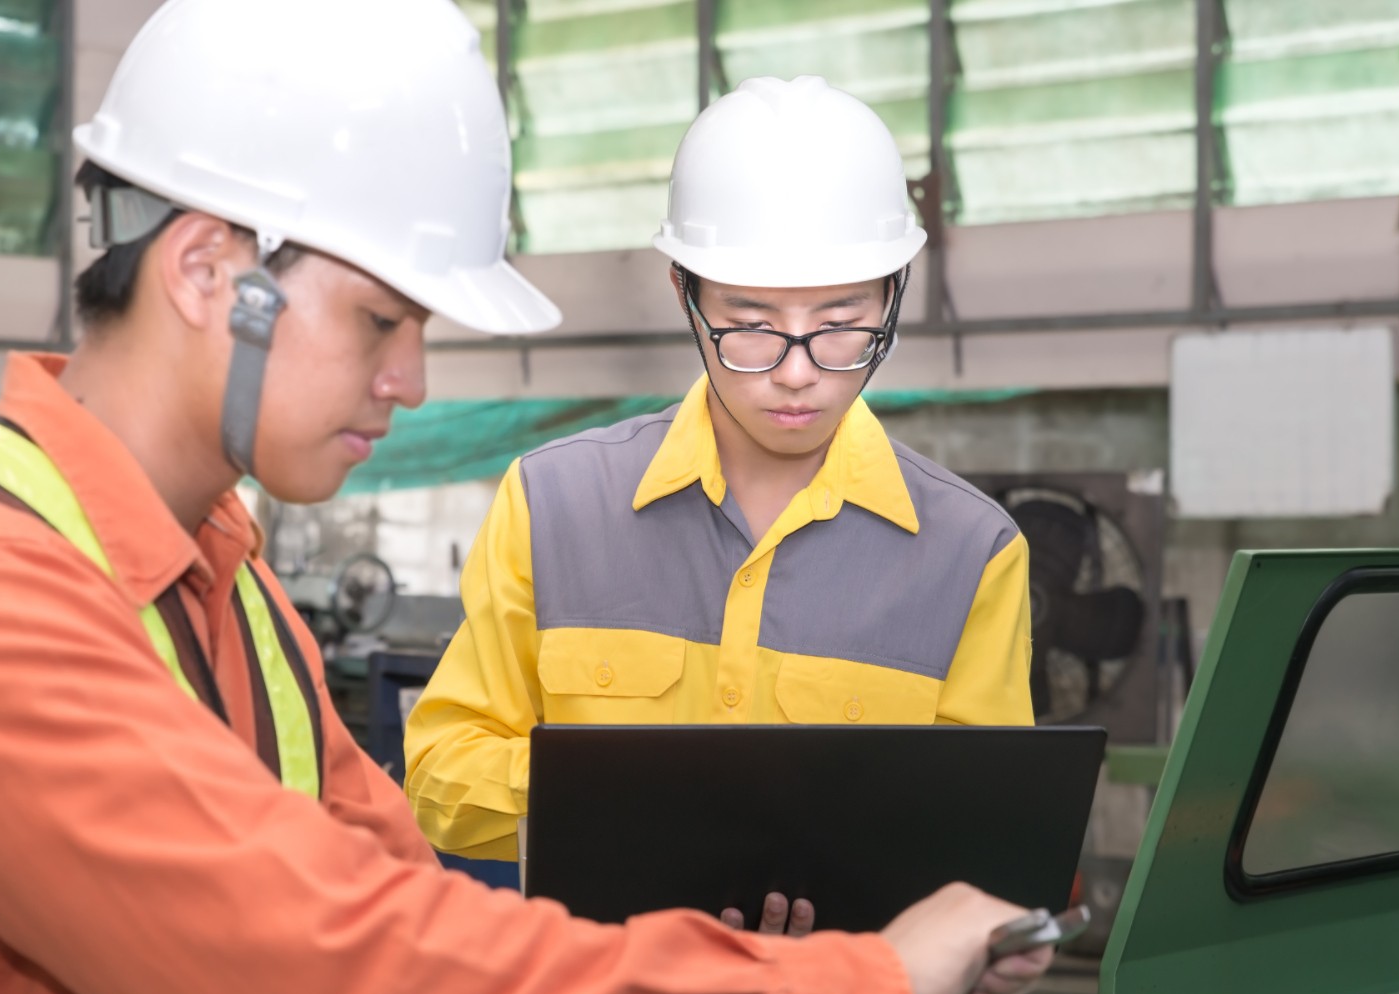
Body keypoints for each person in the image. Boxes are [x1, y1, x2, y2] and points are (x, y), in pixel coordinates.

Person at [0, 5, 1051, 994]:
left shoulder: (223, 576)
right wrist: (854, 983)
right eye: (381, 320)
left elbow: (414, 924)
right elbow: (327, 985)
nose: (413, 381)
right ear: (210, 272)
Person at [404, 76, 1035, 934]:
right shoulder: (552, 506)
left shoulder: (971, 552)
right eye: (751, 320)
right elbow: (441, 772)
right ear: (684, 294)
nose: (798, 370)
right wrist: (632, 803)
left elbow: (983, 838)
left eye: (842, 319)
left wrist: (991, 939)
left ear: (895, 294)